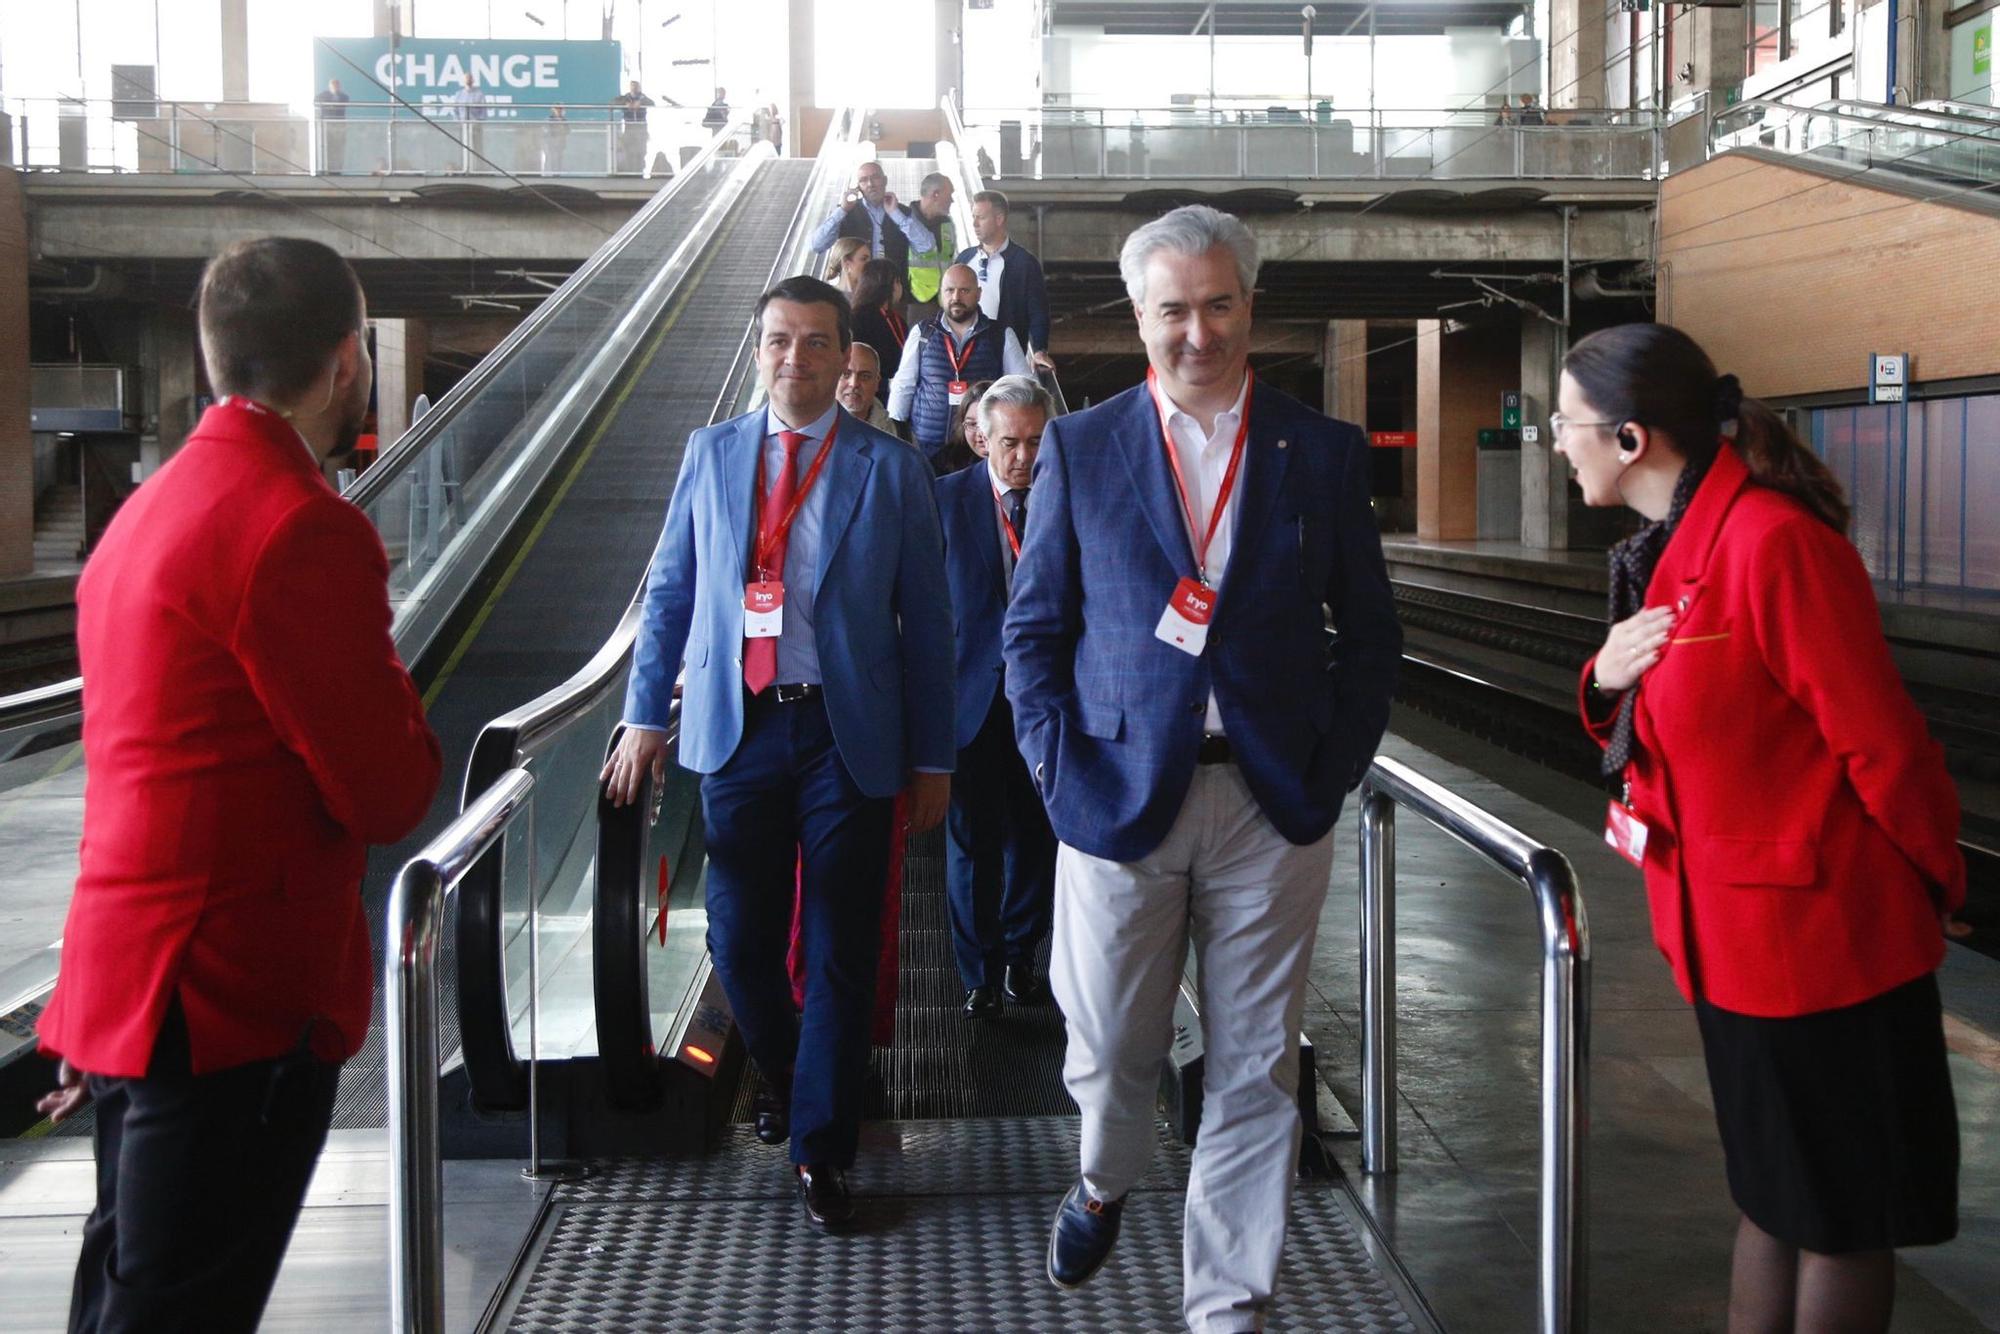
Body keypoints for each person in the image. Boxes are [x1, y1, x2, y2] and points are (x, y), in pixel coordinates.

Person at [34, 236, 443, 1333]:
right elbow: (388, 788)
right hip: (229, 1005)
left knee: (129, 1296)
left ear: (216, 357)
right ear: (348, 361)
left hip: (131, 983)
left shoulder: (143, 514)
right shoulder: (298, 525)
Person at [1002, 204, 1400, 1328]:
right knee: (1114, 1043)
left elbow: (1368, 635)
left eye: (1217, 304)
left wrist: (1324, 779)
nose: (1197, 331)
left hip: (1271, 805)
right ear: (1138, 315)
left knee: (1254, 1064)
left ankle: (1227, 1303)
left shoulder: (1315, 451)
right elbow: (1030, 635)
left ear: (1247, 306)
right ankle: (1102, 1175)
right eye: (1172, 309)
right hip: (1116, 799)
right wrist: (1056, 775)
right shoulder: (1080, 448)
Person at [1557, 323, 1963, 1334]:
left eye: (1565, 424)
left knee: (1836, 1216)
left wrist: (1934, 881)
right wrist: (1600, 676)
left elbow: (1882, 743)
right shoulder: (1674, 552)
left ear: (1628, 438)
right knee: (1773, 1199)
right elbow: (1659, 723)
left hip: (1823, 946)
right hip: (1730, 943)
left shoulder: (1770, 544)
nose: (1555, 442)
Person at [601, 275, 953, 1234]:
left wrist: (936, 760)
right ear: (758, 350)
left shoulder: (890, 471)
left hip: (848, 739)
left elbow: (928, 624)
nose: (794, 359)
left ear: (848, 359)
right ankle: (806, 1082)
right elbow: (670, 594)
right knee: (740, 941)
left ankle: (820, 1150)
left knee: (840, 949)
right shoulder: (709, 456)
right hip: (737, 730)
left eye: (814, 343)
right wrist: (645, 717)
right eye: (778, 341)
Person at [936, 376, 1060, 1019]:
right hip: (970, 702)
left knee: (1036, 841)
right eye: (1010, 441)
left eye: (1036, 442)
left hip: (1045, 705)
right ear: (981, 438)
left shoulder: (1068, 499)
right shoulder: (942, 501)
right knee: (971, 842)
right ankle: (977, 974)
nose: (1023, 456)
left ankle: (1019, 955)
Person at [887, 264, 1031, 469]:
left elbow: (1023, 386)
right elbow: (904, 386)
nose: (956, 297)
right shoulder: (923, 333)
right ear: (941, 294)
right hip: (927, 449)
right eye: (950, 290)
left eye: (964, 290)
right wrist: (896, 437)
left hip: (979, 449)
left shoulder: (1000, 335)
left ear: (978, 294)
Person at [954, 190, 1055, 372]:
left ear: (999, 219)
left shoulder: (1025, 263)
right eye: (973, 217)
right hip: (964, 356)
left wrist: (1039, 350)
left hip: (1004, 360)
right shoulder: (964, 258)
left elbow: (1038, 311)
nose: (974, 224)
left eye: (981, 218)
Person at [807, 162, 936, 291]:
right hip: (855, 293)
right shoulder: (847, 212)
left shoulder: (901, 212)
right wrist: (842, 210)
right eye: (863, 180)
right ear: (858, 187)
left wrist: (895, 214)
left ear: (885, 180)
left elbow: (927, 246)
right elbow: (817, 245)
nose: (870, 184)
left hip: (892, 293)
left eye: (875, 177)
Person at [902, 171, 957, 319]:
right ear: (936, 194)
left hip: (944, 301)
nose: (952, 200)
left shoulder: (947, 224)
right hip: (914, 302)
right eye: (949, 194)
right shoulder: (905, 221)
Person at [849, 258, 908, 391]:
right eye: (897, 282)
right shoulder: (858, 319)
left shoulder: (896, 319)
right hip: (867, 388)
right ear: (887, 285)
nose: (900, 287)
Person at [837, 341, 898, 434]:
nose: (853, 383)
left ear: (877, 382)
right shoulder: (809, 427)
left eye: (865, 376)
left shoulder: (898, 433)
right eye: (845, 374)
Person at [615, 79, 655, 174]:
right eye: (632, 86)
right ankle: (630, 171)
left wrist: (641, 103)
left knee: (641, 151)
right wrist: (625, 104)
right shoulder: (625, 98)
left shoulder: (643, 97)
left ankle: (639, 170)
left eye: (636, 86)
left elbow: (652, 103)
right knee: (628, 149)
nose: (634, 88)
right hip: (629, 127)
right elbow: (614, 102)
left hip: (641, 127)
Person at [314, 78, 350, 174]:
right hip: (327, 125)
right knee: (328, 147)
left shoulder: (343, 96)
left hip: (339, 125)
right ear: (330, 86)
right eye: (333, 85)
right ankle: (326, 168)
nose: (335, 87)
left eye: (337, 85)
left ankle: (338, 169)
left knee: (339, 148)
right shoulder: (323, 95)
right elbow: (316, 101)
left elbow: (345, 102)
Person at [542, 102, 570, 175]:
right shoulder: (550, 119)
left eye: (560, 109)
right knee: (551, 158)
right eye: (557, 109)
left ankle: (558, 174)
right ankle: (550, 173)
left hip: (561, 143)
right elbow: (547, 130)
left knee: (559, 159)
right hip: (551, 143)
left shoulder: (564, 120)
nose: (559, 111)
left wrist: (560, 120)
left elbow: (567, 130)